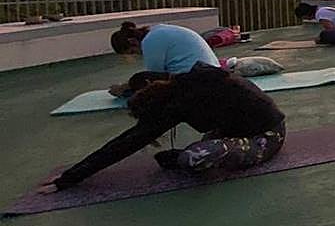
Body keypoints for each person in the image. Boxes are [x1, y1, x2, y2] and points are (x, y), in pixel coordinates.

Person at [37, 63, 286, 194]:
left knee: (194, 157)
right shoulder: (182, 84)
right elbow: (127, 140)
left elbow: (127, 142)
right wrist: (69, 176)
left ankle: (180, 157)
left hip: (266, 134)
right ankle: (180, 156)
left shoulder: (183, 99)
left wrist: (68, 180)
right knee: (200, 149)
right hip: (232, 129)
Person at [108, 21, 221, 96]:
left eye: (133, 51)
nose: (138, 54)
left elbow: (154, 79)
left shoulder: (149, 41)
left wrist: (124, 88)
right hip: (212, 71)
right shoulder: (158, 30)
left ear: (132, 42)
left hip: (195, 79)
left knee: (138, 79)